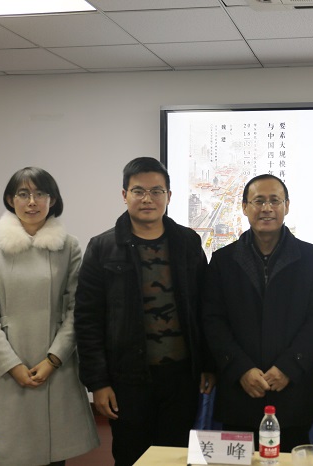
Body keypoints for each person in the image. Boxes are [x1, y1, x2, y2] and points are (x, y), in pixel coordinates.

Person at [74, 157, 215, 466]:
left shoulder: (187, 242)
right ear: (124, 194)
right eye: (138, 191)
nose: (147, 199)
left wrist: (208, 364)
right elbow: (87, 320)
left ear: (169, 196)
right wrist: (97, 383)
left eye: (156, 191)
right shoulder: (102, 247)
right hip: (127, 379)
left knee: (176, 457)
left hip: (181, 379)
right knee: (131, 456)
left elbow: (204, 307)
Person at [0, 167, 99, 466]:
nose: (32, 202)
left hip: (55, 366)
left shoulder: (68, 246)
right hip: (9, 368)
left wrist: (53, 359)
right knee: (9, 455)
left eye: (40, 193)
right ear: (10, 199)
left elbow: (77, 309)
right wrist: (12, 365)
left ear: (52, 200)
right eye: (23, 194)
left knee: (54, 456)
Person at [202, 174, 313, 451]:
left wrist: (289, 367)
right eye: (258, 201)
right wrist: (240, 369)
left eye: (275, 201)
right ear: (244, 207)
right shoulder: (223, 261)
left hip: (292, 390)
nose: (267, 208)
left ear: (287, 206)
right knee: (238, 459)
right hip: (239, 390)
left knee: (291, 457)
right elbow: (213, 320)